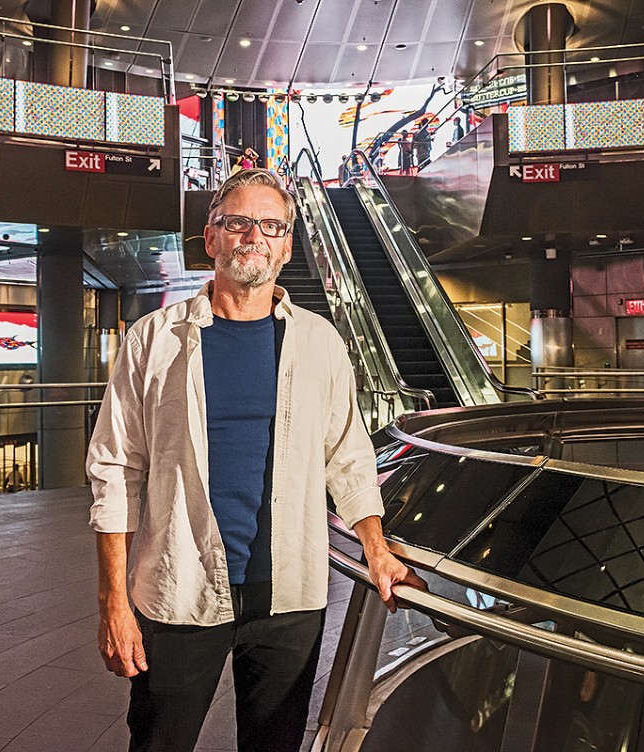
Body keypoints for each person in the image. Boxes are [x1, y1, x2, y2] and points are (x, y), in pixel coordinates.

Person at [87, 168, 424, 752]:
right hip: (177, 590)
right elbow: (115, 468)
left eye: (271, 226)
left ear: (288, 245)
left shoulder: (320, 342)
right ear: (210, 237)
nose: (254, 237)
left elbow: (347, 456)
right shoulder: (155, 339)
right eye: (238, 222)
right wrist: (113, 599)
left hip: (288, 597)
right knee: (158, 741)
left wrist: (377, 549)